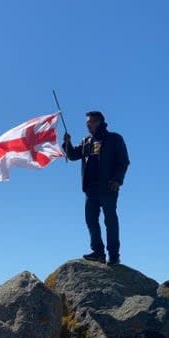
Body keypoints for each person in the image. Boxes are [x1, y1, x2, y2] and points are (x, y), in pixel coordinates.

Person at [63, 111, 130, 265]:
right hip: (90, 189)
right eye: (87, 122)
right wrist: (67, 144)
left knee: (110, 221)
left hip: (108, 187)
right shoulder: (87, 141)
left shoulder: (114, 139)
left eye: (91, 122)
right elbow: (73, 155)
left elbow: (123, 161)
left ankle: (114, 255)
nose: (88, 125)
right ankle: (98, 252)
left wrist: (117, 180)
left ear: (99, 122)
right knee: (91, 220)